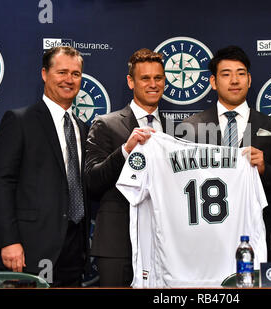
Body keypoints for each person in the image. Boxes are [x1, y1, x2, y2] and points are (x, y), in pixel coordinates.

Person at [182, 46, 271, 260]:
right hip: (206, 239)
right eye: (226, 74)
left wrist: (265, 169)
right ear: (214, 82)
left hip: (257, 236)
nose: (235, 80)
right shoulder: (191, 128)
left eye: (241, 73)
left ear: (249, 80)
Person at [0, 46, 90, 287]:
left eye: (75, 74)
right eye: (62, 72)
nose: (69, 79)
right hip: (28, 250)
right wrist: (9, 241)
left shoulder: (82, 128)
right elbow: (2, 183)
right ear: (45, 74)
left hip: (74, 251)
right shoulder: (19, 120)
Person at [85, 48, 167, 286]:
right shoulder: (106, 125)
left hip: (163, 245)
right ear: (131, 81)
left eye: (158, 78)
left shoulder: (176, 129)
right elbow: (92, 181)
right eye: (145, 78)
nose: (153, 84)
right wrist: (125, 151)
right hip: (117, 244)